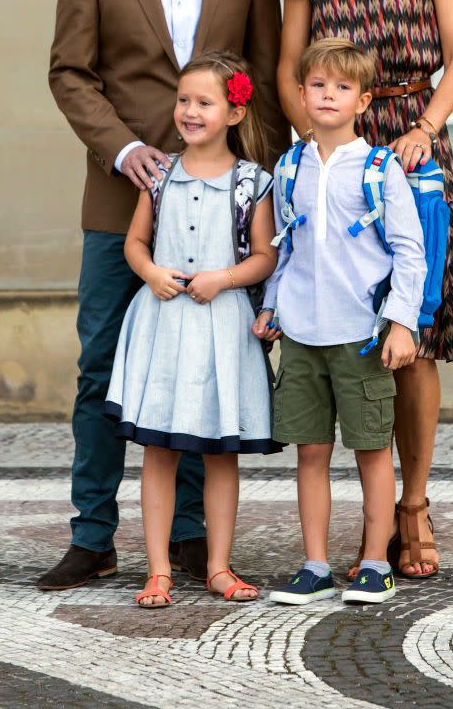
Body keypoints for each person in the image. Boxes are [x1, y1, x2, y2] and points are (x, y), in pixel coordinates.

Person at [42, 0, 289, 591]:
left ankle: (189, 540)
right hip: (123, 206)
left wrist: (264, 199)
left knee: (205, 366)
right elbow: (69, 73)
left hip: (223, 204)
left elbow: (265, 79)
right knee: (100, 367)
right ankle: (92, 535)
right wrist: (122, 151)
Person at [276, 0, 453, 581]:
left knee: (413, 333)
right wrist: (322, 147)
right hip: (335, 157)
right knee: (349, 329)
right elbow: (290, 71)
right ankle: (360, 527)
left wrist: (423, 126)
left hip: (415, 148)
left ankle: (413, 506)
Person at [254, 38, 426, 605]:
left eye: (343, 87)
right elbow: (287, 246)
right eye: (318, 86)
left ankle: (376, 563)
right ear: (301, 95)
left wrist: (401, 323)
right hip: (302, 335)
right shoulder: (288, 167)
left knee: (372, 449)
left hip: (360, 337)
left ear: (364, 100)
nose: (328, 95)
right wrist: (271, 305)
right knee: (309, 452)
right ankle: (315, 565)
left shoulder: (379, 169)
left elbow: (409, 251)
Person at [105, 52, 278, 608]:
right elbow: (136, 241)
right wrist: (152, 271)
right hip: (164, 325)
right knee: (158, 449)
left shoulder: (254, 182)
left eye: (204, 102)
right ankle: (158, 570)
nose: (190, 110)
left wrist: (224, 278)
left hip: (222, 330)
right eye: (183, 100)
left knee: (220, 453)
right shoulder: (159, 175)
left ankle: (219, 566)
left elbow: (265, 256)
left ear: (233, 112)